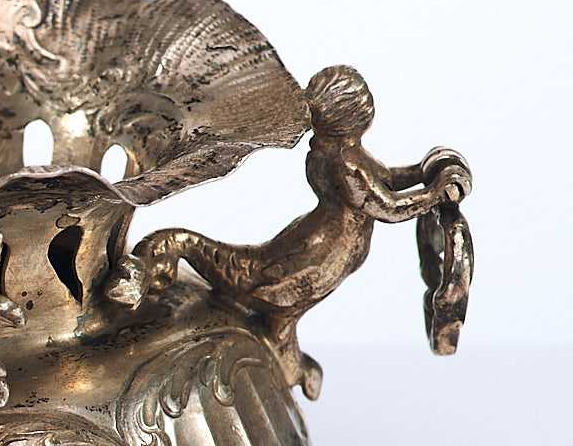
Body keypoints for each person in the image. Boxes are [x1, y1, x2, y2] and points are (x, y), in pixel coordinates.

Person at [115, 66, 472, 399]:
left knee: (281, 314)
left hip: (314, 252)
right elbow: (388, 207)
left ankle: (287, 367)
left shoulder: (344, 154)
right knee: (281, 316)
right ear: (355, 116)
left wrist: (423, 172)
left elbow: (385, 181)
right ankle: (284, 371)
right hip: (314, 261)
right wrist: (434, 194)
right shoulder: (345, 164)